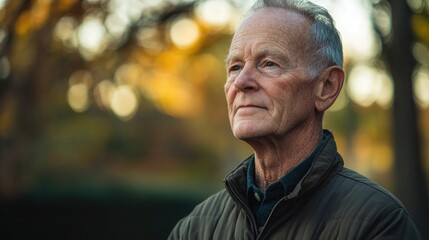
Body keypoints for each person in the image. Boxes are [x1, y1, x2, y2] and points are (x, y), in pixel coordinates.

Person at [168, 0, 421, 239]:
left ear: (326, 87)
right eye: (235, 67)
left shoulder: (378, 222)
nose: (241, 82)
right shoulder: (194, 228)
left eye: (269, 64)